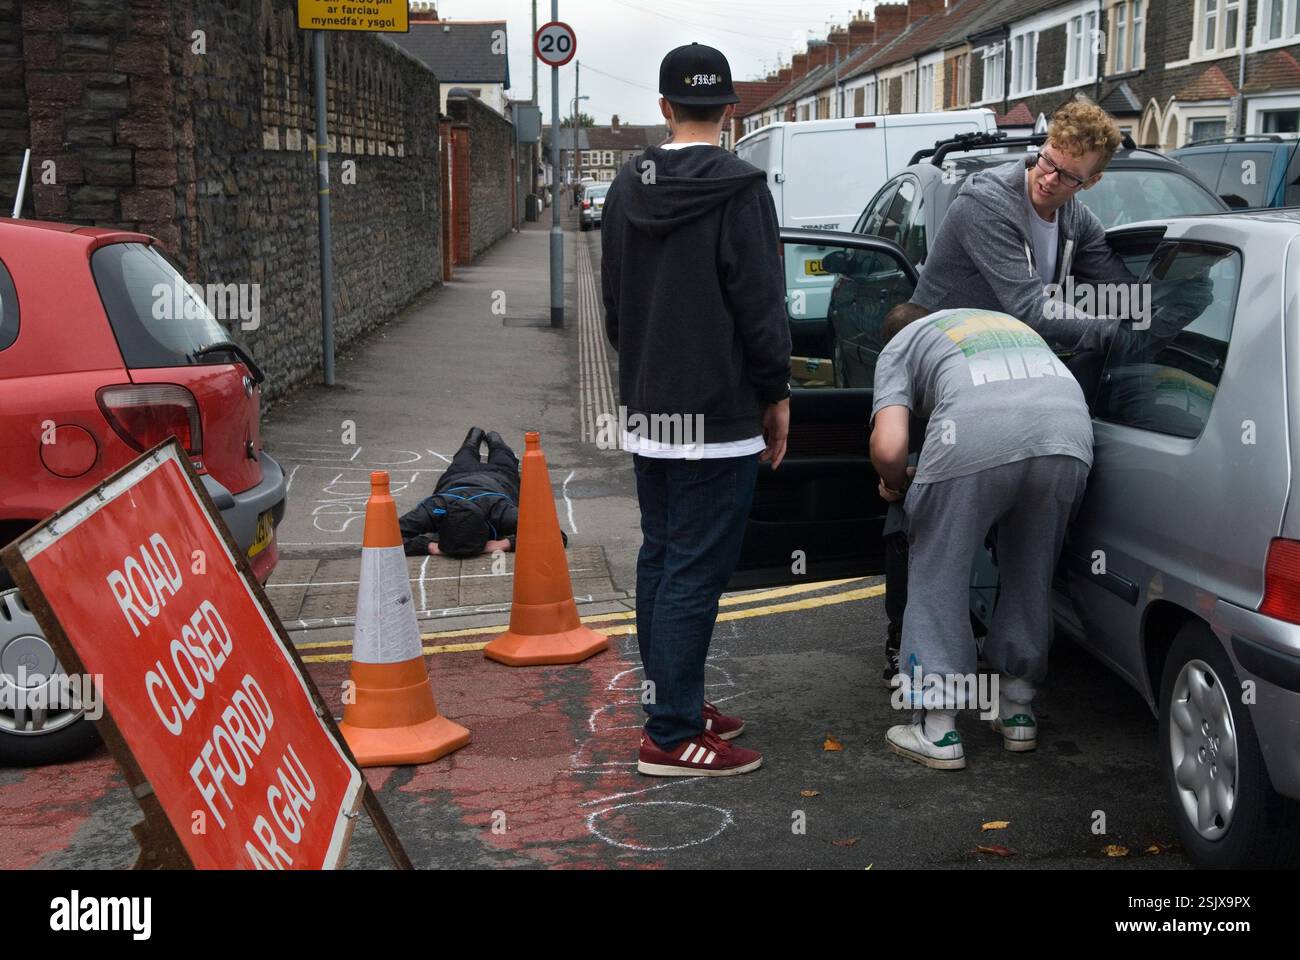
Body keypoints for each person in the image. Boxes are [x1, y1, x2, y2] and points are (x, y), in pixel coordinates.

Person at [877, 102, 1135, 688]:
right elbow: (1030, 309)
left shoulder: (1077, 221)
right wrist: (1114, 332)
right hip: (947, 380)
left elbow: (1119, 290)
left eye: (1067, 175)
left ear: (1089, 182)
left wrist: (1152, 314)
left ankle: (1007, 676)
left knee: (1017, 544)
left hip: (1014, 384)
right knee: (917, 525)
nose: (1048, 177)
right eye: (1046, 161)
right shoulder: (985, 200)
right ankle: (907, 649)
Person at [601, 41, 792, 778]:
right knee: (692, 572)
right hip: (717, 415)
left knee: (662, 557)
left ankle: (671, 697)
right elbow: (760, 308)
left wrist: (643, 369)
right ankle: (672, 733)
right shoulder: (743, 189)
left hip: (653, 409)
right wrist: (775, 394)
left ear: (663, 107)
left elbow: (614, 301)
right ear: (730, 109)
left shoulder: (627, 185)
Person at [870, 306, 1095, 769]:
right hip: (1068, 435)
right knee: (1031, 573)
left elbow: (889, 447)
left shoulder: (900, 344)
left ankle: (938, 727)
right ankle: (1017, 709)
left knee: (938, 573)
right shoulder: (997, 326)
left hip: (970, 438)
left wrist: (897, 482)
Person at [399, 427, 561, 559]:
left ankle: (493, 440)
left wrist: (504, 543)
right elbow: (387, 535)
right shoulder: (435, 509)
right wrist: (428, 546)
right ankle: (473, 439)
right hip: (460, 476)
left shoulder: (500, 512)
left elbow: (554, 535)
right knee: (465, 457)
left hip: (497, 478)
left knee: (503, 457)